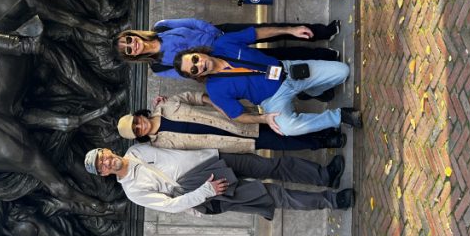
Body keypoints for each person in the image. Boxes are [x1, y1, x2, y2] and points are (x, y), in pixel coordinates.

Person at [172, 34, 363, 136]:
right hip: (273, 100)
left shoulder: (224, 43)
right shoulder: (214, 91)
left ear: (197, 52)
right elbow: (237, 115)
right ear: (195, 77)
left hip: (288, 72)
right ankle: (340, 116)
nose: (199, 65)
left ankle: (310, 90)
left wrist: (290, 30)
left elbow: (258, 32)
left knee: (342, 72)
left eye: (195, 59)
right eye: (194, 70)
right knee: (288, 129)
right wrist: (264, 119)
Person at [83, 146, 354, 216]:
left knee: (271, 165)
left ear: (107, 151)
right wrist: (205, 191)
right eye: (102, 167)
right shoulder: (132, 191)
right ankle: (332, 201)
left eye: (102, 157)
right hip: (206, 188)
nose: (106, 162)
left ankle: (325, 175)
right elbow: (171, 206)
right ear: (105, 174)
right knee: (271, 195)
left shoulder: (136, 150)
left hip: (213, 159)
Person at [117, 92, 347, 152]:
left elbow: (192, 96)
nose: (140, 126)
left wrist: (216, 103)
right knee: (282, 142)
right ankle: (325, 141)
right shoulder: (160, 144)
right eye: (137, 130)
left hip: (233, 118)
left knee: (279, 122)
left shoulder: (165, 105)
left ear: (139, 115)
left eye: (136, 121)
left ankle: (326, 124)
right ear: (139, 136)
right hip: (228, 141)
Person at [115, 18, 342, 77]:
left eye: (128, 39)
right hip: (220, 60)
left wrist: (214, 33)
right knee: (275, 55)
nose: (132, 45)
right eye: (128, 49)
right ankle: (324, 56)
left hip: (222, 35)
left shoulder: (161, 27)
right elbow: (187, 74)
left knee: (270, 30)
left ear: (132, 34)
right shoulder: (158, 67)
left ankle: (323, 32)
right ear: (131, 56)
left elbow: (191, 22)